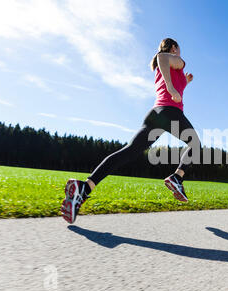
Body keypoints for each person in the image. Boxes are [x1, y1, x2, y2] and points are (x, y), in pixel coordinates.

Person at [60, 38, 201, 224]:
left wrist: (184, 82)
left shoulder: (173, 70)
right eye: (178, 49)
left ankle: (84, 188)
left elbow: (171, 77)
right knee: (195, 144)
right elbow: (162, 58)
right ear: (174, 48)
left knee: (128, 152)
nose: (180, 53)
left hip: (156, 115)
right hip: (169, 111)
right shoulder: (174, 59)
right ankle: (177, 177)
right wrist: (171, 86)